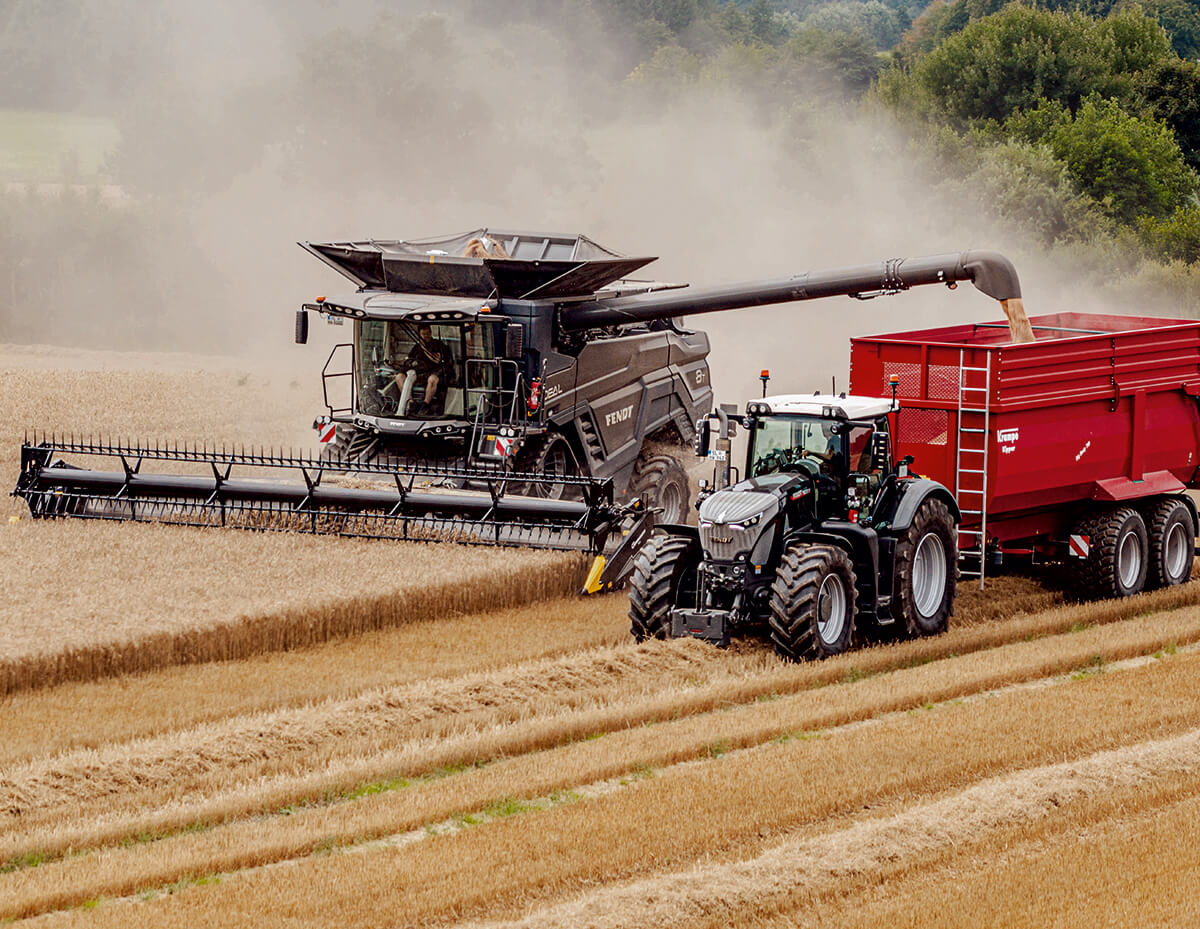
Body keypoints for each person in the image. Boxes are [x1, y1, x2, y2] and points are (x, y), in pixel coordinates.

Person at [395, 324, 451, 416]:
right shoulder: (417, 347)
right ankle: (411, 403)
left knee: (432, 379)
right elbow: (409, 359)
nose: (426, 336)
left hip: (433, 372)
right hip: (418, 373)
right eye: (423, 334)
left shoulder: (438, 345)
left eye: (428, 333)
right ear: (420, 334)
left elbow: (438, 360)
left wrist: (425, 348)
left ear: (431, 332)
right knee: (399, 377)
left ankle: (425, 405)